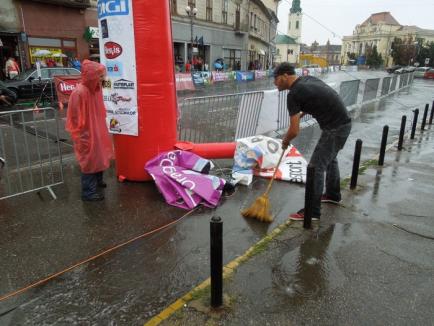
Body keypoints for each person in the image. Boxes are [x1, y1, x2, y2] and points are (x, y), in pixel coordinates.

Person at [273, 62, 351, 221]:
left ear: (285, 76)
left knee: (315, 168)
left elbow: (294, 131)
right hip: (343, 123)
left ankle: (312, 211)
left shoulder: (293, 94)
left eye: (276, 79)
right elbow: (316, 99)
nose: (274, 83)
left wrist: (285, 140)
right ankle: (333, 195)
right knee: (330, 159)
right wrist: (301, 115)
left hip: (334, 129)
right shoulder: (306, 80)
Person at [66, 60, 114, 201]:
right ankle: (88, 192)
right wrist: (82, 135)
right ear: (92, 76)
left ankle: (98, 182)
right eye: (100, 76)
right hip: (86, 133)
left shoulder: (96, 88)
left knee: (99, 155)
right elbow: (74, 117)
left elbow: (109, 86)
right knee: (89, 160)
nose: (103, 79)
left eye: (103, 75)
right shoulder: (79, 92)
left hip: (97, 129)